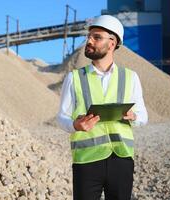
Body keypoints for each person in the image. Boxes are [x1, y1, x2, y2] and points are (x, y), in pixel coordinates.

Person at [57, 15, 148, 200]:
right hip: (87, 160)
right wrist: (75, 125)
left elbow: (143, 116)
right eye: (89, 36)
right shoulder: (73, 78)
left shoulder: (130, 77)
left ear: (112, 43)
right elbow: (61, 117)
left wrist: (134, 116)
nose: (89, 41)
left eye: (96, 37)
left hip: (121, 159)